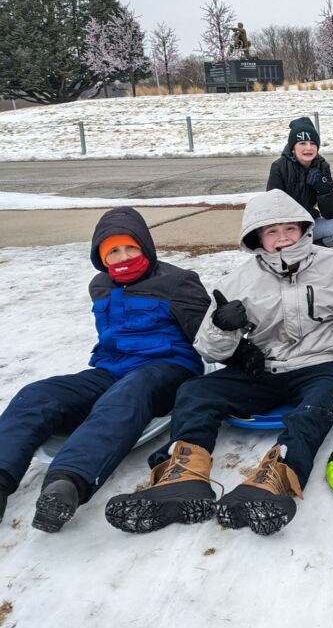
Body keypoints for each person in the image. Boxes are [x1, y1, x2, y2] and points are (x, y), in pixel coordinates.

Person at [105, 190, 333, 536]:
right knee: (197, 391)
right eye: (271, 232)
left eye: (290, 228)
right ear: (256, 238)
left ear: (305, 227)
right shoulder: (236, 283)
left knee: (313, 409)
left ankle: (276, 478)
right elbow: (209, 350)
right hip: (267, 369)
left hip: (328, 362)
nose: (283, 238)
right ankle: (183, 476)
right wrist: (222, 328)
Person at [0, 207, 209, 533]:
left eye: (131, 248)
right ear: (101, 257)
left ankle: (67, 481)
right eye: (113, 251)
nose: (123, 256)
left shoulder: (179, 283)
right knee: (37, 394)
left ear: (146, 248)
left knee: (127, 393)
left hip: (168, 369)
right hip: (110, 369)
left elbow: (211, 337)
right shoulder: (100, 286)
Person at [267, 116, 333, 247]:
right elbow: (272, 207)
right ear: (292, 147)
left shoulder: (322, 166)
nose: (308, 148)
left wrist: (323, 189)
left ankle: (314, 251)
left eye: (313, 143)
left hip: (311, 223)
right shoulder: (279, 167)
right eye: (302, 143)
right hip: (286, 229)